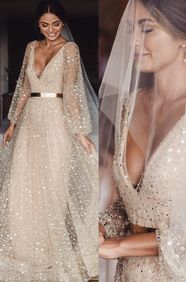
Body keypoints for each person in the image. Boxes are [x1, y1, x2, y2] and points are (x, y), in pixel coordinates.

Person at [99, 0, 186, 281]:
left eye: (147, 29)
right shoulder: (129, 105)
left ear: (185, 35)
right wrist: (101, 229)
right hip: (129, 274)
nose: (134, 41)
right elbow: (131, 209)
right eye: (130, 31)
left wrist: (123, 245)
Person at [0, 0, 98, 280]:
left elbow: (71, 90)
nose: (51, 29)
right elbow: (24, 86)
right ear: (37, 25)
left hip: (57, 122)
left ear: (63, 22)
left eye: (56, 23)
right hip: (30, 122)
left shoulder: (70, 50)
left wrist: (79, 132)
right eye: (45, 24)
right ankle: (24, 249)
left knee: (53, 185)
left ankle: (49, 250)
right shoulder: (31, 48)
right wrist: (13, 123)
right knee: (22, 182)